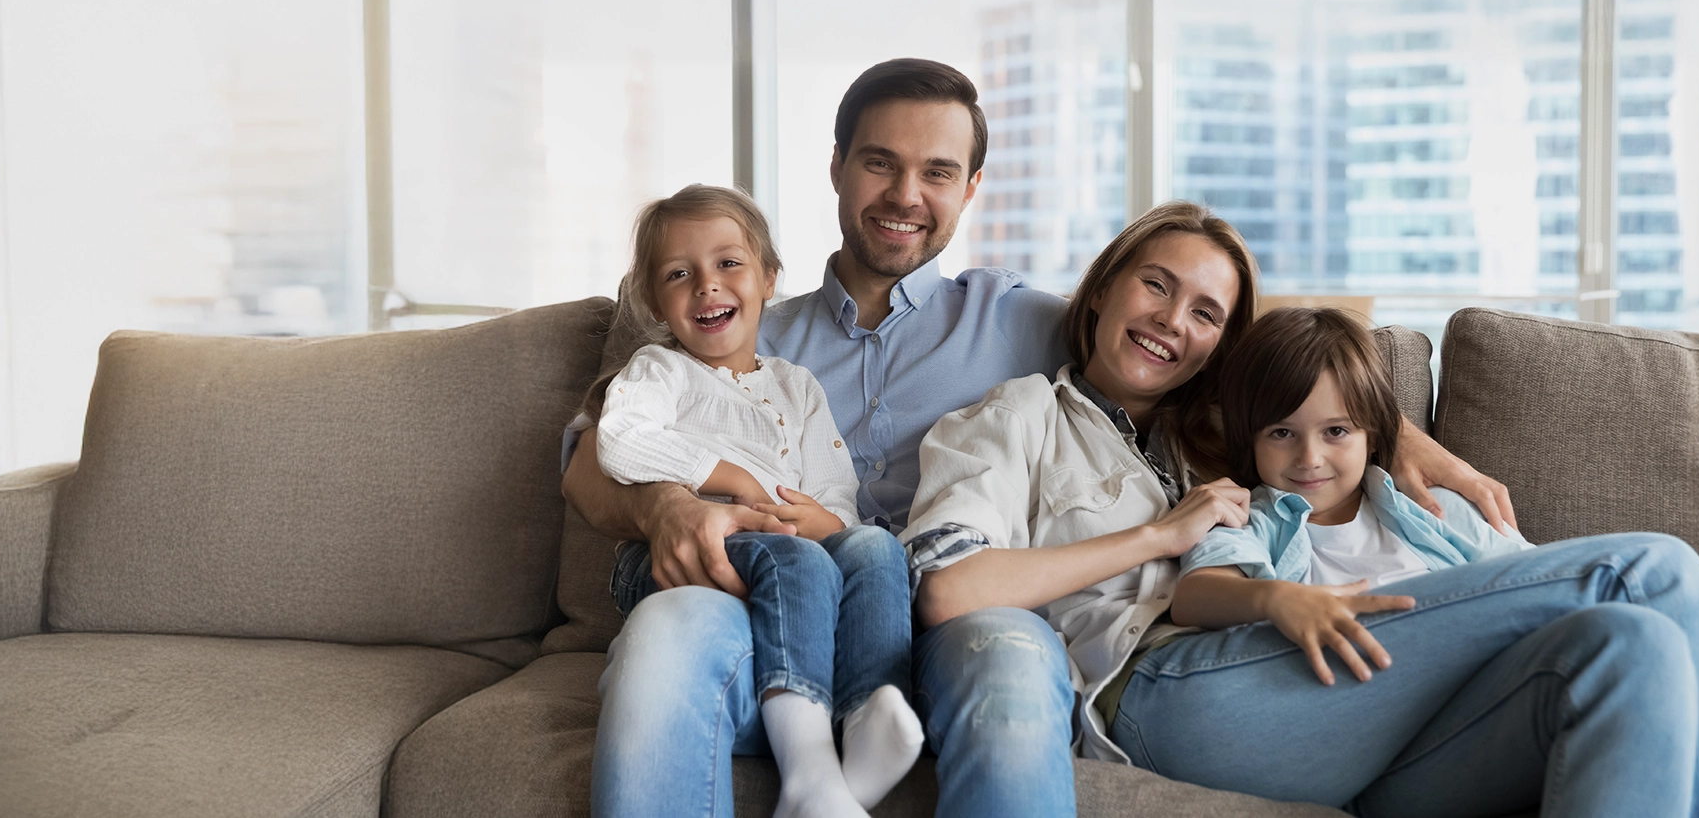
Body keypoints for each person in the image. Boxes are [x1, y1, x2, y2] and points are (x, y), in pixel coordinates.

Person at [561, 58, 1517, 818]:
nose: (905, 193)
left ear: (970, 188)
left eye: (937, 171)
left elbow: (1219, 352)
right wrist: (669, 502)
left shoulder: (1022, 319)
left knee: (1014, 660)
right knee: (664, 636)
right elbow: (591, 454)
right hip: (771, 595)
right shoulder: (740, 313)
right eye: (880, 162)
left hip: (965, 605)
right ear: (838, 168)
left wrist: (1399, 435)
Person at [905, 203, 1699, 818]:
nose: (1174, 320)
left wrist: (1405, 439)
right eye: (1155, 285)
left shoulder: (1225, 430)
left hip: (1336, 715)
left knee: (1633, 646)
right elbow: (952, 590)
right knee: (1646, 572)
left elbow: (1321, 402)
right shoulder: (1013, 418)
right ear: (1101, 288)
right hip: (1171, 693)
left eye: (1207, 313)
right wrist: (1156, 535)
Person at [588, 184, 918, 818]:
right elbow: (620, 445)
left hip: (786, 548)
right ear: (656, 302)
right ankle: (809, 770)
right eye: (679, 274)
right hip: (677, 556)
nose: (707, 286)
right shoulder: (661, 370)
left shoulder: (797, 385)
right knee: (798, 559)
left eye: (728, 264)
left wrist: (828, 521)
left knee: (875, 546)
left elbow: (834, 488)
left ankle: (867, 717)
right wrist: (731, 478)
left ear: (769, 279)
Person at [1171, 306, 1532, 686]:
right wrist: (1274, 599)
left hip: (1474, 670)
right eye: (1281, 433)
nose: (1309, 459)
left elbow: (1535, 579)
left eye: (1336, 432)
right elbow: (1193, 596)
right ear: (1250, 441)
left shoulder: (1430, 506)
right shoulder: (1253, 520)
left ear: (1372, 436)